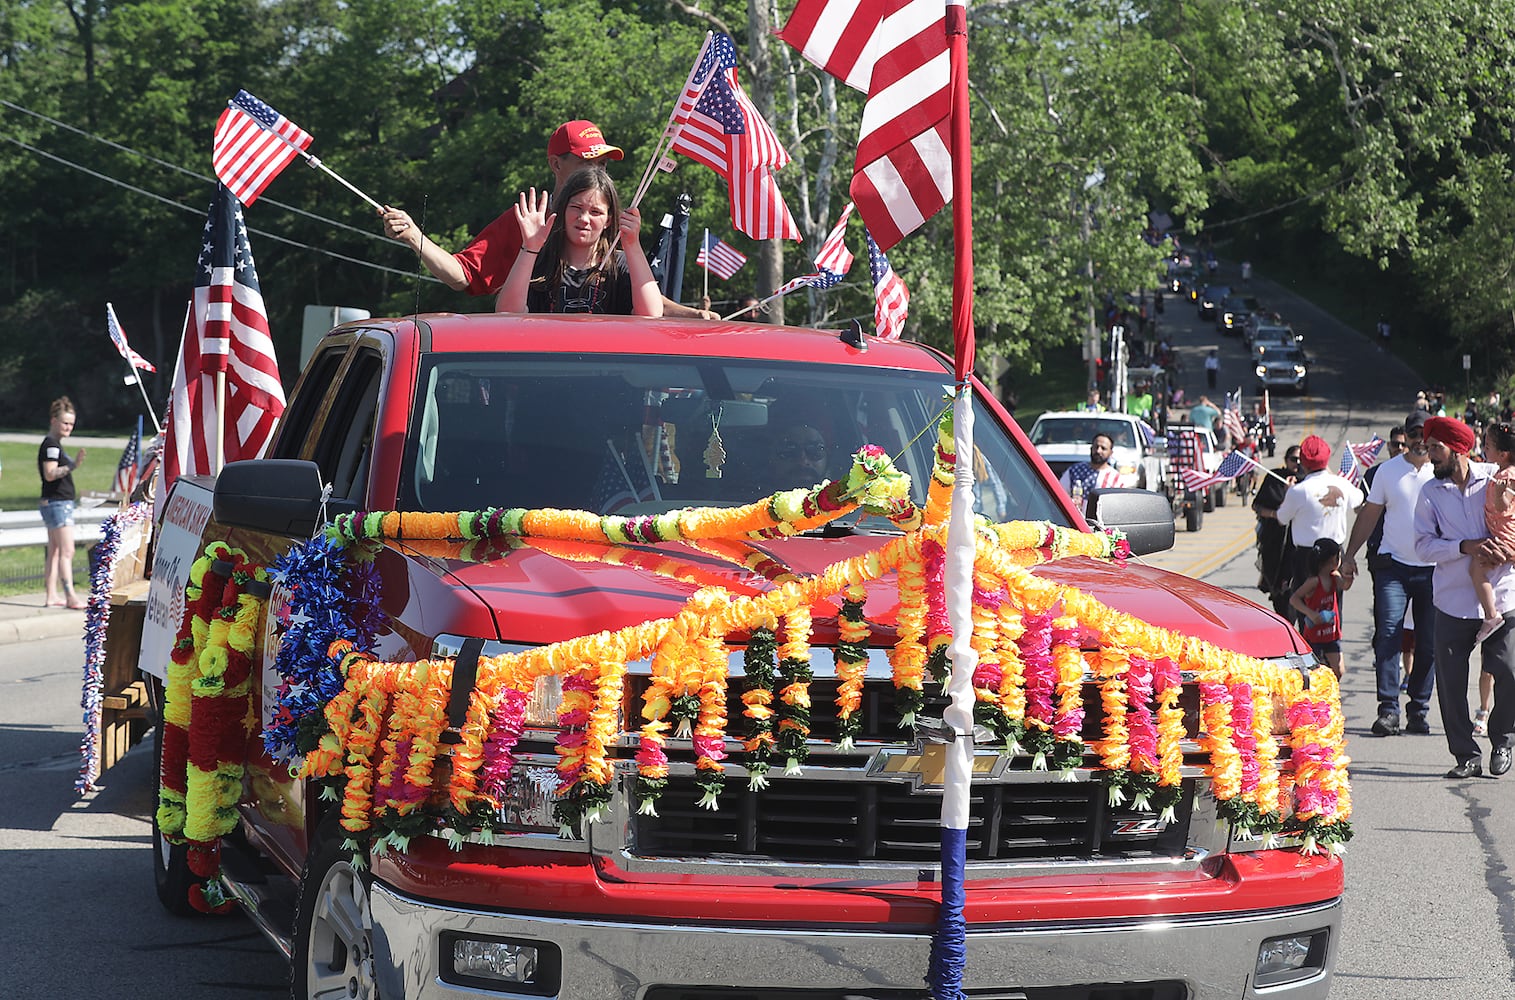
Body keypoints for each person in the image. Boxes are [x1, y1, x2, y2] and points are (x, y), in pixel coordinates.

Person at [380, 119, 715, 319]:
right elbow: (463, 276)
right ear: (556, 165)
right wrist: (414, 236)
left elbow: (637, 293)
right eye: (588, 163)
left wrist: (692, 315)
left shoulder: (613, 225)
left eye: (602, 165)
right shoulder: (528, 220)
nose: (596, 173)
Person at [1411, 415, 1515, 779]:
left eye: (1435, 448)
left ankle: (1502, 740)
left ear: (1459, 449)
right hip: (1453, 601)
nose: (1429, 455)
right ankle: (1465, 755)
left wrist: (1510, 549)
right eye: (1427, 448)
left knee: (1510, 670)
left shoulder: (1497, 475)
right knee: (1451, 683)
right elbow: (1422, 546)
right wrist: (1463, 546)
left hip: (1502, 595)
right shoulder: (1430, 492)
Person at [1342, 412, 1436, 736]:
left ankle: (1419, 709)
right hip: (1393, 567)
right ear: (1406, 438)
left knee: (1429, 642)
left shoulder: (1443, 471)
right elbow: (1369, 515)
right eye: (1414, 434)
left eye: (1425, 434)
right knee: (1388, 635)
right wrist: (1348, 554)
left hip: (1434, 570)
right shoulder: (1387, 472)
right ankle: (1389, 710)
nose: (1419, 440)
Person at [496, 167, 660, 317]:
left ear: (608, 221)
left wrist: (632, 245)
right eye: (576, 207)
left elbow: (651, 314)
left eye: (595, 212)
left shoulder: (621, 265)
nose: (583, 219)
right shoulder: (539, 261)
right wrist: (530, 248)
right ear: (563, 209)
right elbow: (507, 314)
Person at [1275, 435, 1364, 605]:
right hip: (1334, 555)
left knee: (1307, 606)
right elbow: (1358, 499)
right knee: (1333, 607)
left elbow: (1281, 518)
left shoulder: (1298, 491)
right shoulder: (1341, 484)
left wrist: (1288, 492)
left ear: (1303, 461)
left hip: (1307, 557)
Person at [38, 395, 86, 609]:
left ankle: (51, 595)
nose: (68, 427)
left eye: (71, 424)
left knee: (55, 551)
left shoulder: (54, 444)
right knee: (67, 551)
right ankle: (70, 596)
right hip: (58, 504)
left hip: (54, 503)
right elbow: (49, 474)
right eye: (65, 423)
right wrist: (73, 466)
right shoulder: (52, 446)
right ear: (53, 421)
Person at [1471, 422, 1515, 642]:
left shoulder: (1510, 475)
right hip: (1500, 536)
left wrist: (1499, 494)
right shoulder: (1500, 471)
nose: (1484, 450)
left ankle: (1491, 616)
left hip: (1505, 538)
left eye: (1488, 446)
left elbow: (1504, 505)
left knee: (1476, 568)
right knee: (1482, 568)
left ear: (1503, 453)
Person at [1253, 445, 1301, 617]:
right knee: (1279, 596)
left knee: (1295, 591)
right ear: (1286, 460)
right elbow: (1258, 506)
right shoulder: (1275, 478)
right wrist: (1275, 514)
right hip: (1276, 543)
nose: (1298, 463)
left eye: (1301, 459)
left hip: (1297, 546)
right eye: (1294, 459)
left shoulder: (1307, 481)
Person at [1291, 538, 1350, 678]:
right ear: (1332, 560)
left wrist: (1349, 576)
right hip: (1314, 635)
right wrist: (1310, 614)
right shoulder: (1313, 582)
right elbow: (1294, 599)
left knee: (1338, 669)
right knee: (1314, 672)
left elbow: (1345, 586)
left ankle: (1331, 694)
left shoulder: (1335, 577)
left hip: (1331, 634)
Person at [1059, 433, 1124, 499]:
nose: (1098, 451)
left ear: (1110, 453)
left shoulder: (1116, 479)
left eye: (1103, 448)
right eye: (1096, 447)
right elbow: (1060, 493)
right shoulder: (1074, 471)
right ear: (1091, 448)